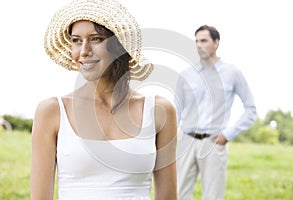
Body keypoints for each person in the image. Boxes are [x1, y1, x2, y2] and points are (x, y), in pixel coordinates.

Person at [30, 0, 178, 199]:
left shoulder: (159, 110)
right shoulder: (52, 111)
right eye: (76, 40)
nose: (83, 51)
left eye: (96, 39)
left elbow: (168, 196)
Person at [174, 25, 257, 200]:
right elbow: (176, 111)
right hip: (186, 141)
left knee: (213, 196)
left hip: (213, 142)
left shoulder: (232, 73)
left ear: (216, 43)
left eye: (203, 40)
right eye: (196, 41)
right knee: (179, 194)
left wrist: (227, 135)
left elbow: (250, 110)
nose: (198, 45)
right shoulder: (186, 74)